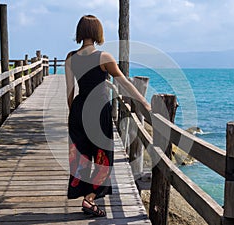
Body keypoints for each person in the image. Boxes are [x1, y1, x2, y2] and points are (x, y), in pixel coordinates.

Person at [65, 15, 151, 217]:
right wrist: (143, 102)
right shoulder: (104, 58)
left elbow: (69, 91)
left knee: (82, 157)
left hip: (78, 111)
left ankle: (87, 197)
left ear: (80, 32)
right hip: (98, 112)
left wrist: (74, 114)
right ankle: (90, 199)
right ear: (97, 33)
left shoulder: (70, 57)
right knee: (104, 157)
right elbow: (124, 83)